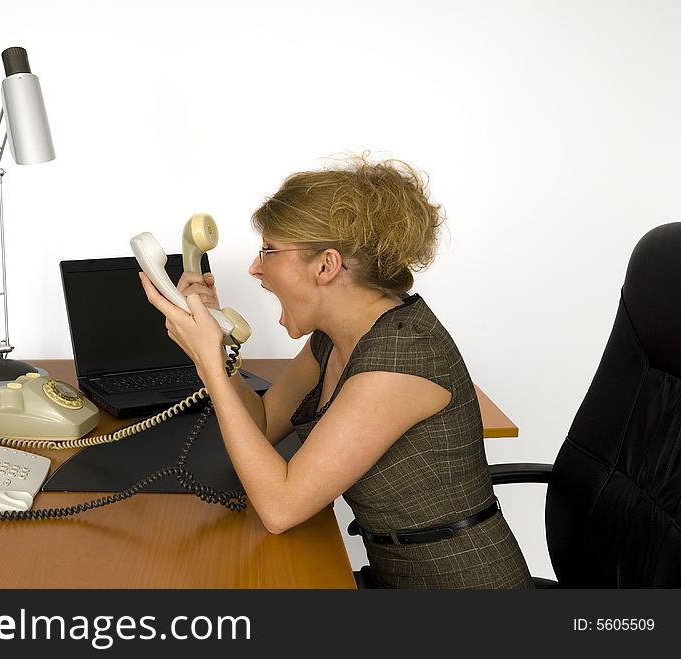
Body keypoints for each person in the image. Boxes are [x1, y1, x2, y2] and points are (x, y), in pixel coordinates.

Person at [139, 156, 533, 589]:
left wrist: (212, 368)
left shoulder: (401, 361)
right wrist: (214, 349)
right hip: (396, 576)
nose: (254, 268)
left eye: (268, 251)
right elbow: (265, 423)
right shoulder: (335, 337)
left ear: (326, 266)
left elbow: (280, 509)